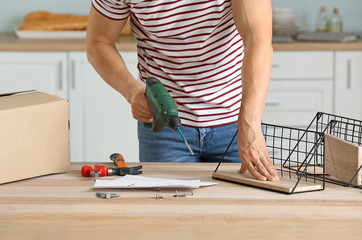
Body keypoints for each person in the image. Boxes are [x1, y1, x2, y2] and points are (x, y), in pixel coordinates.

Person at [86, 0, 279, 181]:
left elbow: (258, 39)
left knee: (242, 211)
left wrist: (250, 124)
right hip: (163, 126)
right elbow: (98, 42)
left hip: (236, 125)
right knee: (167, 212)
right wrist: (131, 91)